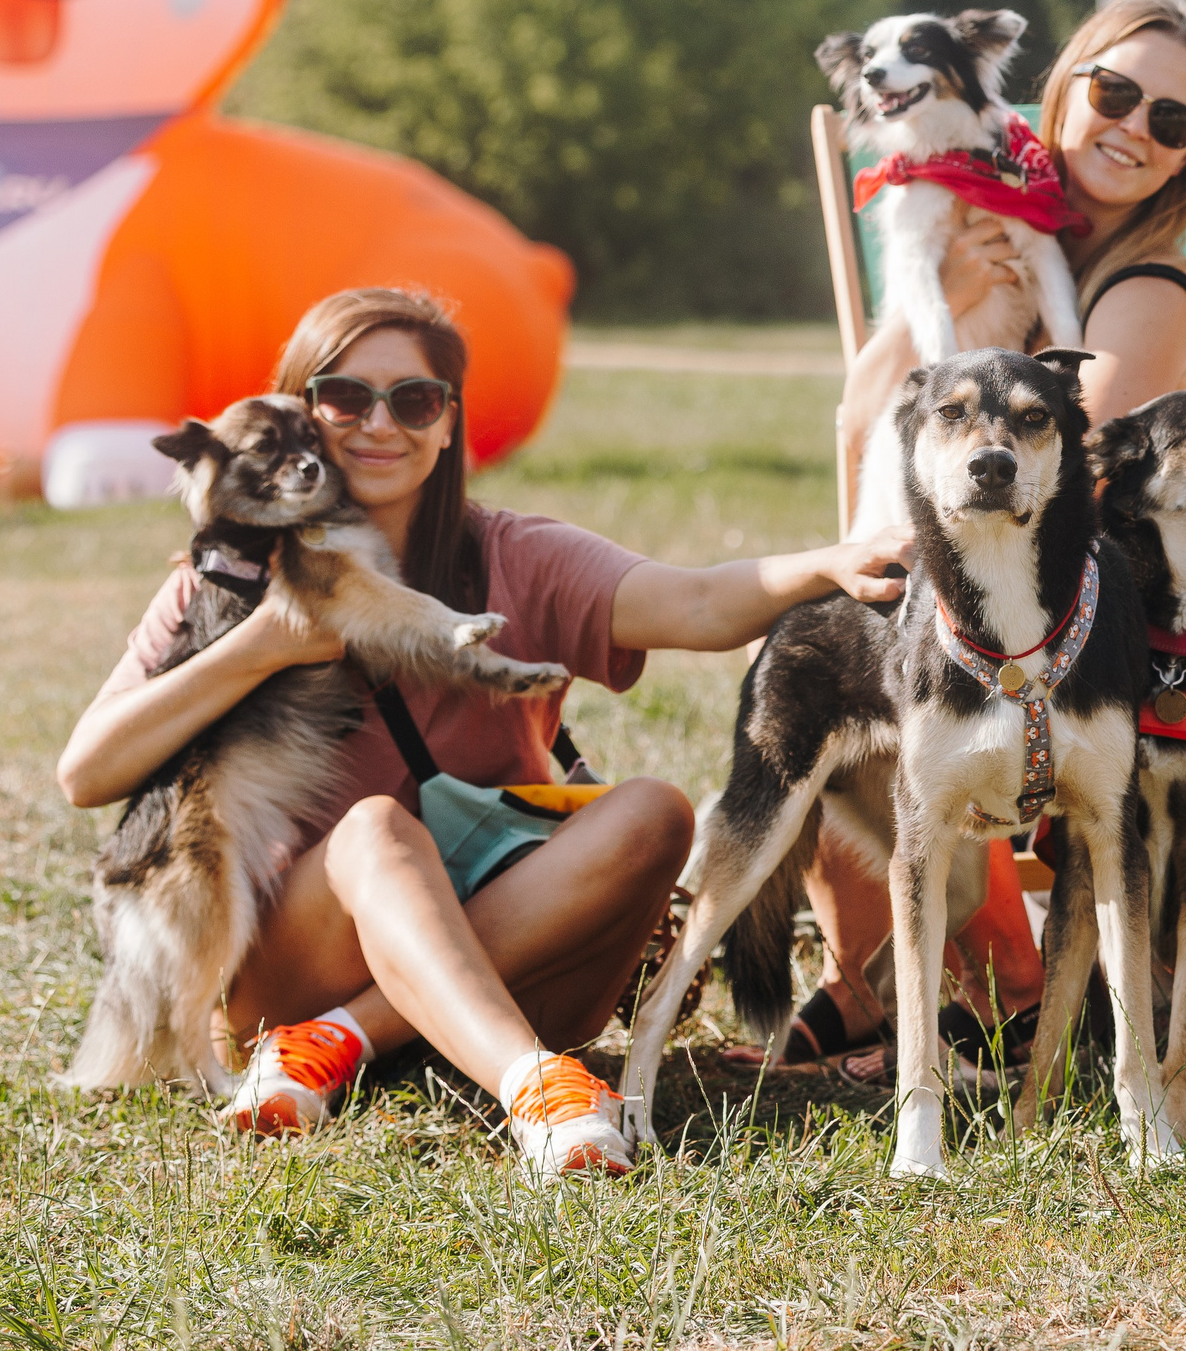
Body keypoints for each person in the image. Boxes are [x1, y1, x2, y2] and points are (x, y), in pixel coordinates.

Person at [56, 288, 907, 1178]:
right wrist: (267, 643)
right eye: (347, 397)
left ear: (449, 421)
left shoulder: (511, 554)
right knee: (377, 830)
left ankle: (348, 1040)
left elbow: (692, 600)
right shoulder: (229, 577)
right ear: (303, 412)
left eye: (414, 400)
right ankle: (533, 1087)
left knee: (655, 812)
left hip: (514, 941)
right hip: (295, 956)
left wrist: (825, 564)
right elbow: (86, 771)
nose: (379, 425)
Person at [776, 0, 1186, 1073]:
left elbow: (1068, 489)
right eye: (1116, 93)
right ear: (1064, 87)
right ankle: (886, 985)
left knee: (896, 680)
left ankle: (1012, 1003)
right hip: (1003, 601)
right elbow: (863, 420)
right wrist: (941, 293)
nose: (1135, 129)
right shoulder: (975, 220)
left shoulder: (1144, 291)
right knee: (818, 655)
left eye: (1173, 123)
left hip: (1129, 635)